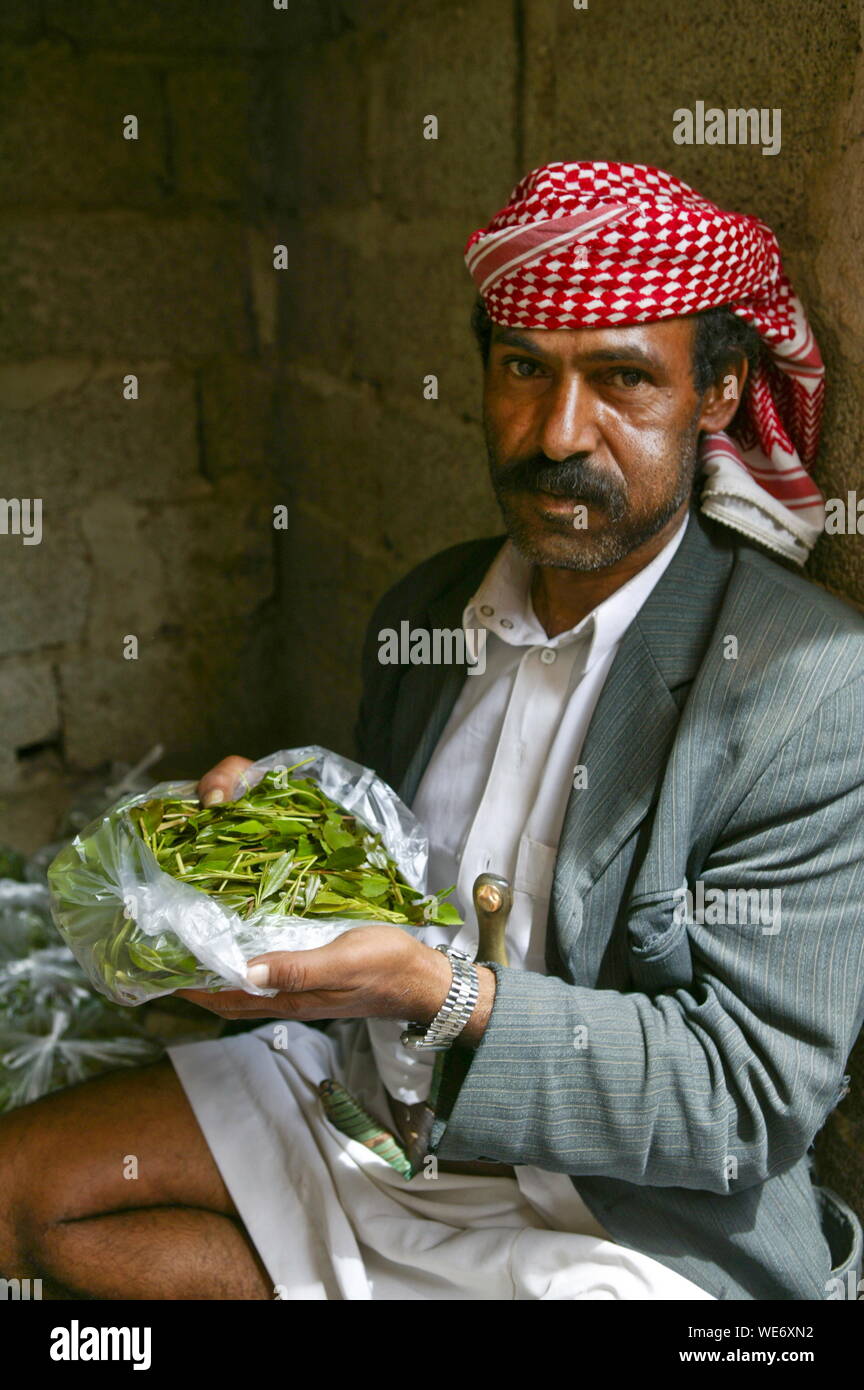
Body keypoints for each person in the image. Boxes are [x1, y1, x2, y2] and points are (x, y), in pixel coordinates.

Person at [1, 161, 862, 1301]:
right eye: (524, 369)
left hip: (629, 1217)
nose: (561, 433)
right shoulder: (429, 610)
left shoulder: (805, 685)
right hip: (372, 1115)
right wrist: (262, 849)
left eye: (622, 379)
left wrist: (436, 992)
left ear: (718, 393)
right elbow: (381, 884)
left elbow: (745, 1100)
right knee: (25, 1199)